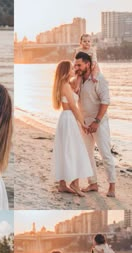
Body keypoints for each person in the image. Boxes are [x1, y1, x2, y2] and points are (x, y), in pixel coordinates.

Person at [74, 51, 116, 197]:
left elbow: (106, 101)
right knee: (87, 154)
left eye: (79, 65)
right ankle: (93, 183)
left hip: (99, 123)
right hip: (84, 124)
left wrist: (97, 122)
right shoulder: (78, 80)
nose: (76, 67)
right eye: (75, 65)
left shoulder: (99, 79)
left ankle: (112, 186)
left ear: (88, 64)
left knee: (105, 153)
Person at [52, 60, 93, 197]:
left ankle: (62, 184)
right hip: (69, 119)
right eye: (71, 68)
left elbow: (71, 97)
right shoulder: (65, 85)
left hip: (65, 118)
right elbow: (74, 107)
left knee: (65, 149)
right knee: (75, 149)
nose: (73, 70)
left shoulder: (63, 85)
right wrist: (83, 123)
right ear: (65, 71)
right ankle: (75, 184)